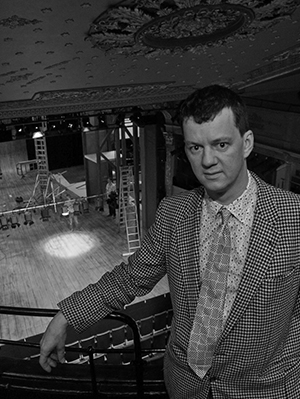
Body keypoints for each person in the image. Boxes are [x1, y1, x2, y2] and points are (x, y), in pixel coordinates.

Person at [39, 85, 300, 399]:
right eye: (194, 148)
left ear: (246, 143)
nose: (208, 161)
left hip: (263, 389)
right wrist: (67, 315)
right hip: (186, 387)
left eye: (220, 144)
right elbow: (130, 277)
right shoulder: (174, 213)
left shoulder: (293, 216)